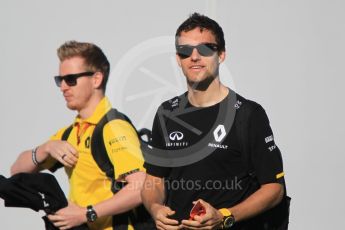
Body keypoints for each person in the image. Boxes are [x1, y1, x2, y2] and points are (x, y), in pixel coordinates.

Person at [141, 13, 286, 230]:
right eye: (185, 51)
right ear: (178, 60)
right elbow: (154, 180)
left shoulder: (248, 114)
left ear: (222, 55)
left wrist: (225, 216)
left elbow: (274, 188)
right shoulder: (166, 113)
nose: (195, 57)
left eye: (206, 48)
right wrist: (154, 208)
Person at [11, 41, 149, 230]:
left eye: (71, 79)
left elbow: (140, 188)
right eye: (60, 80)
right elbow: (17, 172)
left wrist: (86, 213)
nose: (63, 87)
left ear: (96, 79)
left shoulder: (114, 127)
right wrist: (46, 148)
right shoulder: (71, 132)